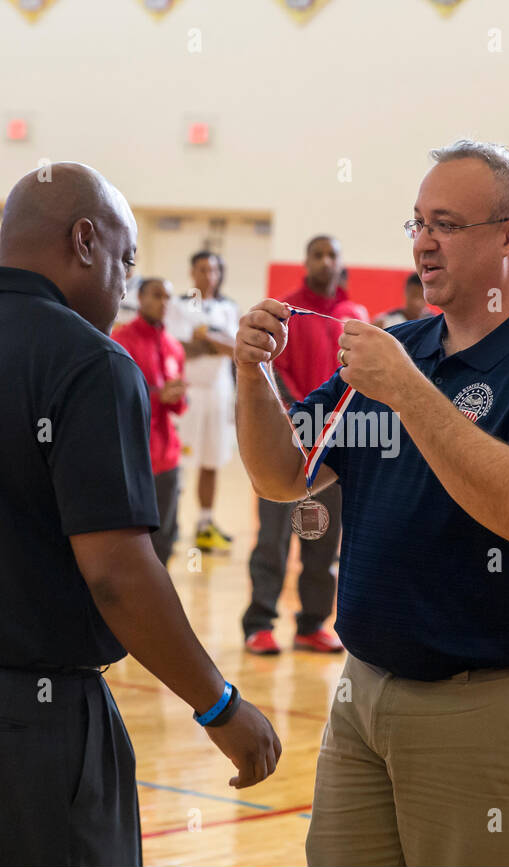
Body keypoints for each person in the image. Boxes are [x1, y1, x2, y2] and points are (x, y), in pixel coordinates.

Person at [0, 163, 279, 865]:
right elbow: (118, 574)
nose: (126, 285)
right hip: (18, 717)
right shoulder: (93, 363)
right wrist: (219, 704)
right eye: (126, 259)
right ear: (85, 240)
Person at [235, 140, 509, 865]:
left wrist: (409, 389)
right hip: (365, 689)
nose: (423, 243)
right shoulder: (396, 347)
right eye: (415, 223)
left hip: (494, 697)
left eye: (445, 224)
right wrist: (253, 375)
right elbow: (281, 475)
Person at [240, 234, 367, 656]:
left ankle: (311, 625)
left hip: (335, 448)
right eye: (318, 254)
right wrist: (300, 416)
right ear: (306, 261)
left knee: (323, 542)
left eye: (332, 254)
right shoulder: (285, 312)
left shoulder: (355, 315)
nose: (325, 261)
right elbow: (274, 375)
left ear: (341, 262)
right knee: (273, 541)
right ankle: (259, 623)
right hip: (287, 442)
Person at [165, 250, 240, 552]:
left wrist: (205, 339)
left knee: (212, 460)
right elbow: (179, 348)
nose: (208, 275)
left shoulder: (229, 307)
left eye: (213, 270)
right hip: (189, 391)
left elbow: (234, 349)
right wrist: (213, 342)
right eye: (202, 269)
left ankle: (205, 526)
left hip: (219, 391)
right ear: (192, 273)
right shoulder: (179, 305)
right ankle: (170, 526)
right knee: (179, 462)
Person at [113, 277, 188, 565]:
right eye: (157, 295)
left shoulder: (173, 346)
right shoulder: (121, 341)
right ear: (140, 298)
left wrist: (177, 397)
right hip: (131, 454)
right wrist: (158, 397)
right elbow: (118, 396)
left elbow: (179, 405)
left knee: (164, 538)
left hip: (167, 456)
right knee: (128, 539)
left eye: (168, 297)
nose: (164, 303)